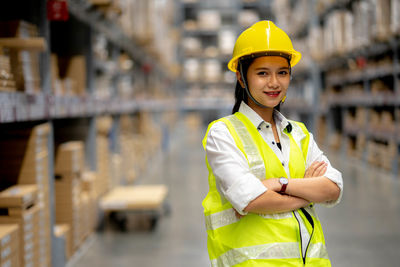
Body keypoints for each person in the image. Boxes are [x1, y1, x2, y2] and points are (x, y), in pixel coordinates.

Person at [202, 21, 343, 266]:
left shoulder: (298, 133)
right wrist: (307, 194)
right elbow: (250, 200)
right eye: (262, 73)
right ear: (241, 77)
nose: (274, 83)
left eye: (282, 72)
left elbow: (333, 188)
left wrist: (280, 184)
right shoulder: (223, 133)